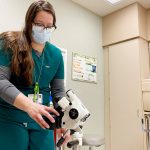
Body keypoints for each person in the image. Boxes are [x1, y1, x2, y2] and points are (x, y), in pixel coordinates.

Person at [0, 0, 70, 150]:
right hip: (11, 118)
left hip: (42, 121)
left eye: (49, 26)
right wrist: (30, 106)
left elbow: (58, 92)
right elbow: (1, 81)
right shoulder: (9, 43)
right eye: (39, 24)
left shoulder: (56, 55)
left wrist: (62, 121)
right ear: (29, 22)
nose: (45, 29)